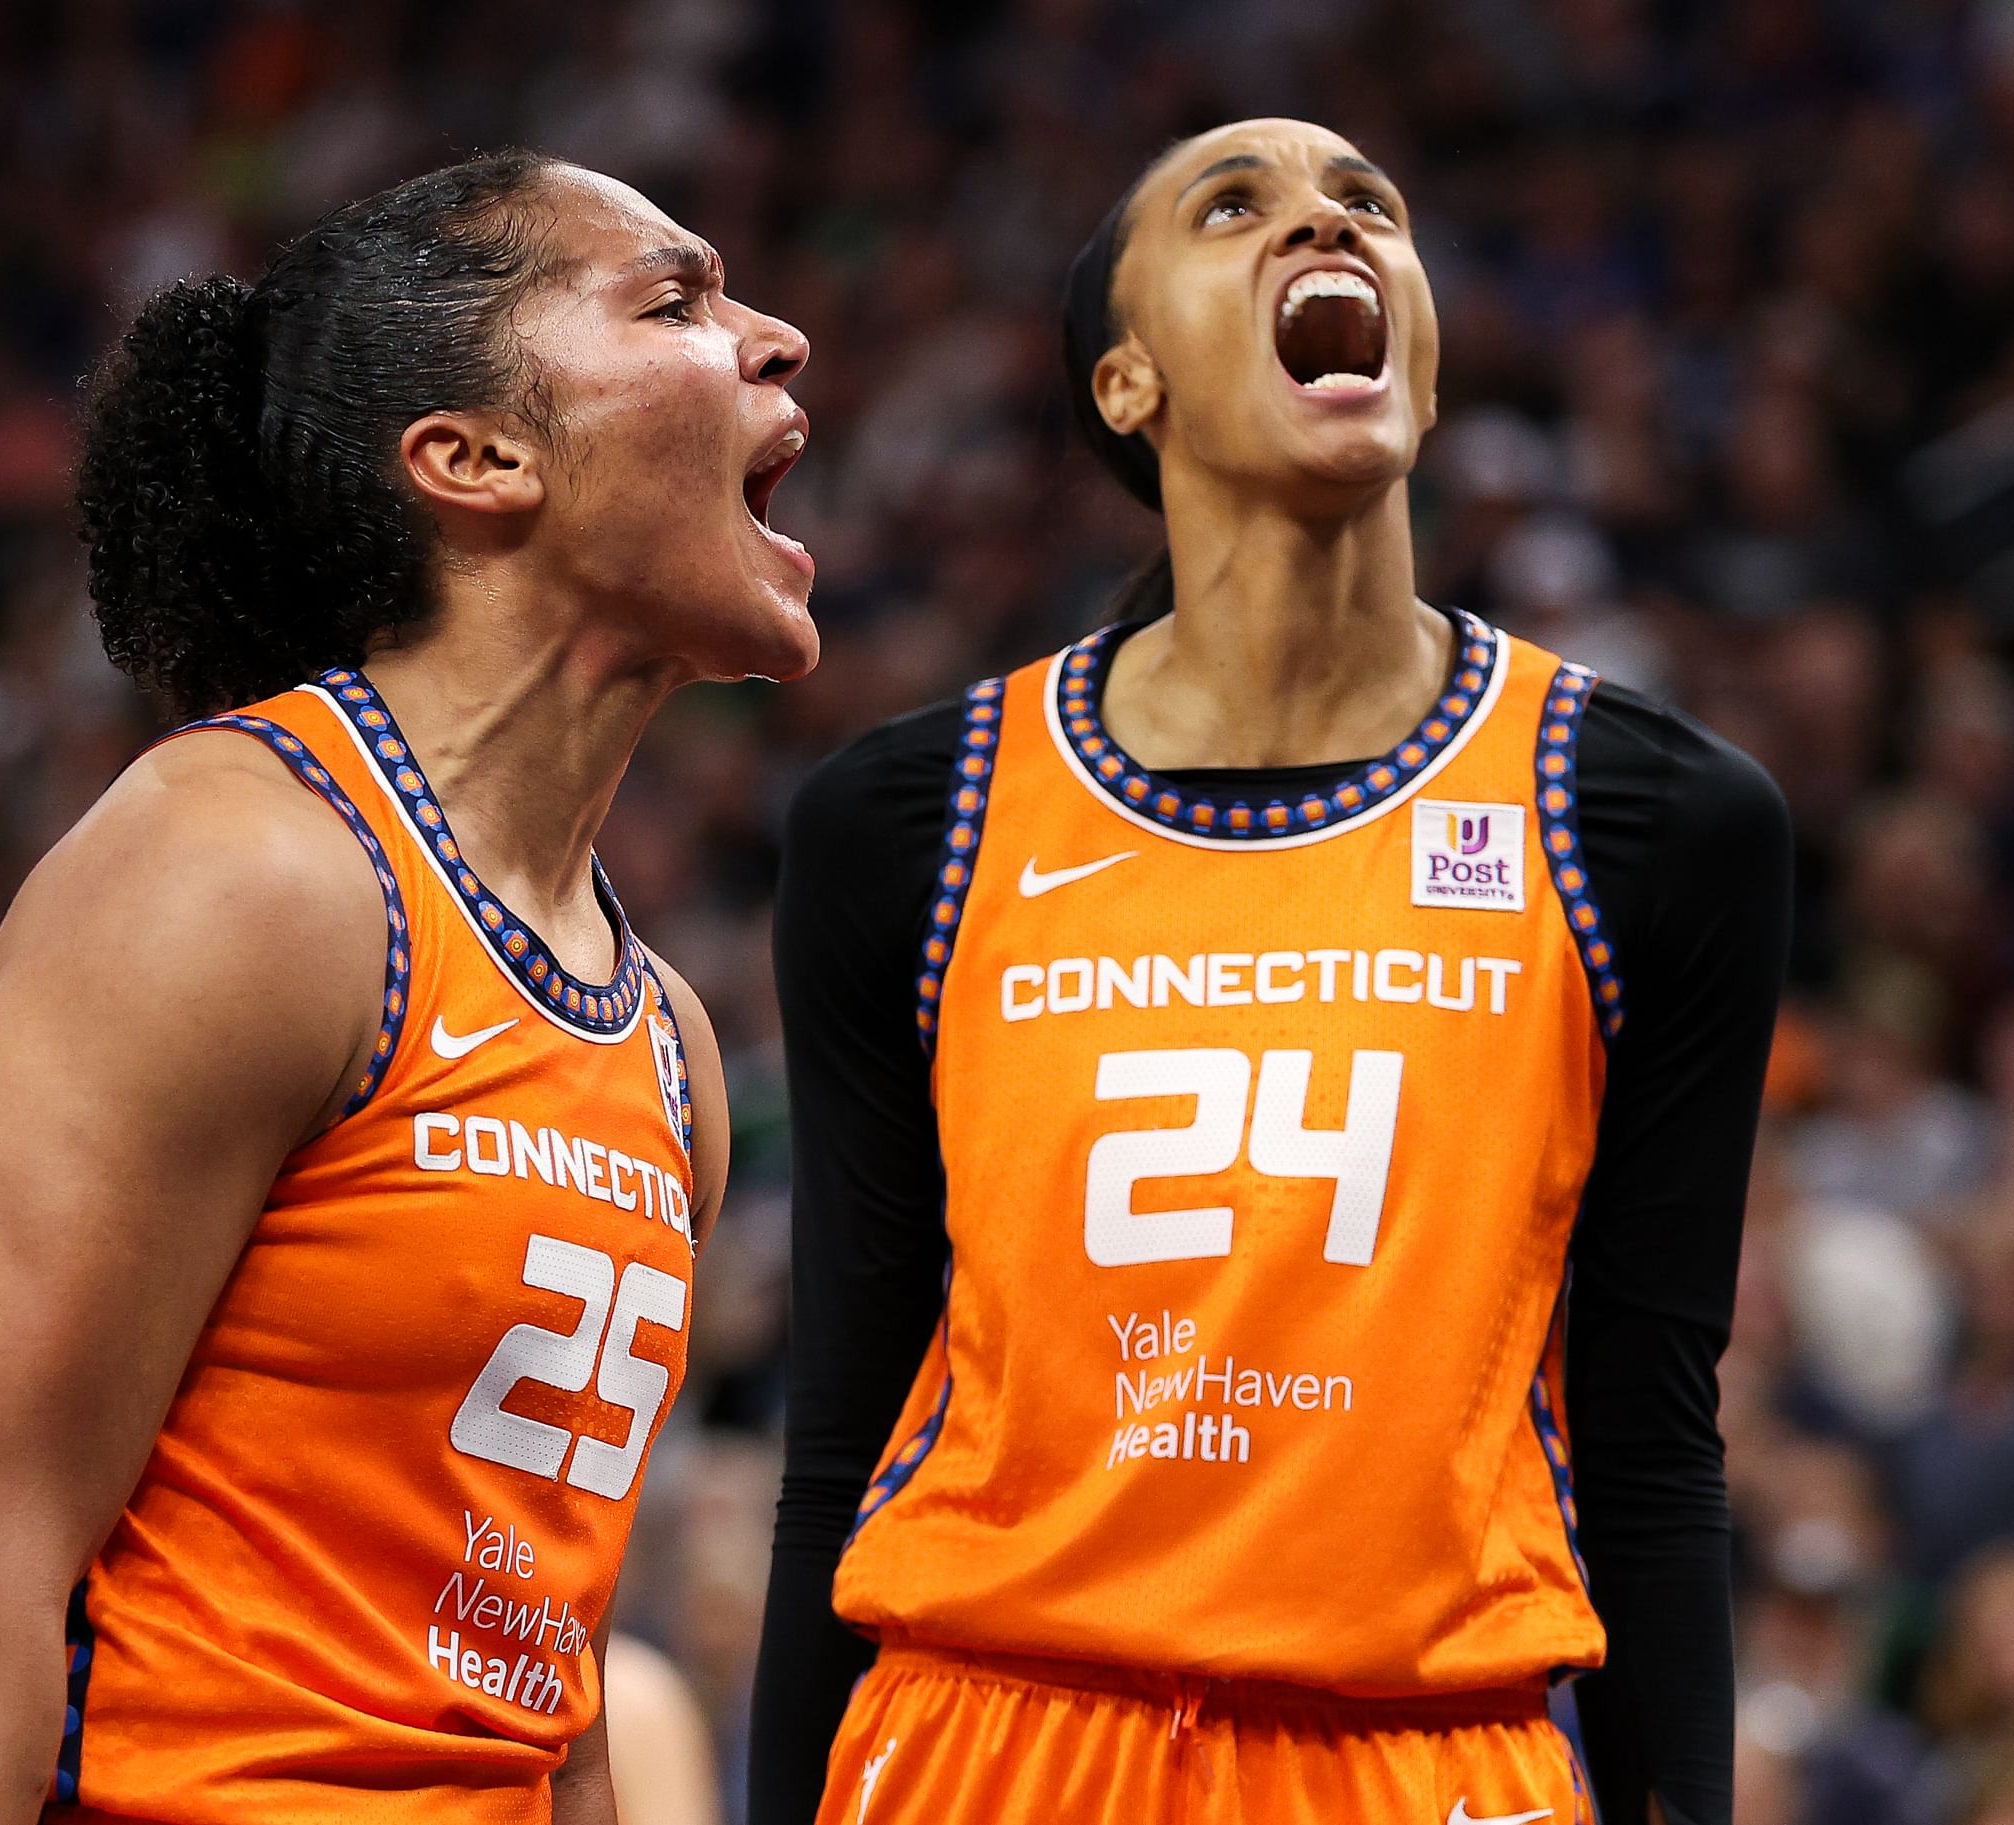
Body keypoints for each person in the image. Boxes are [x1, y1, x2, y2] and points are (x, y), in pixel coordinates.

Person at [751, 119, 1789, 1825]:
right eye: (1232, 207)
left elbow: (1653, 1438)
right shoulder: (909, 818)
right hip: (986, 1735)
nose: (1324, 216)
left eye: (1370, 204)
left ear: (1428, 370)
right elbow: (839, 1429)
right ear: (1124, 383)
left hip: (1430, 1751)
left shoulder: (1650, 818)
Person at [0, 149, 817, 1824]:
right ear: (473, 456)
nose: (776, 340)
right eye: (676, 300)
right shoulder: (239, 869)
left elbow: (545, 1705)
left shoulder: (669, 1047)